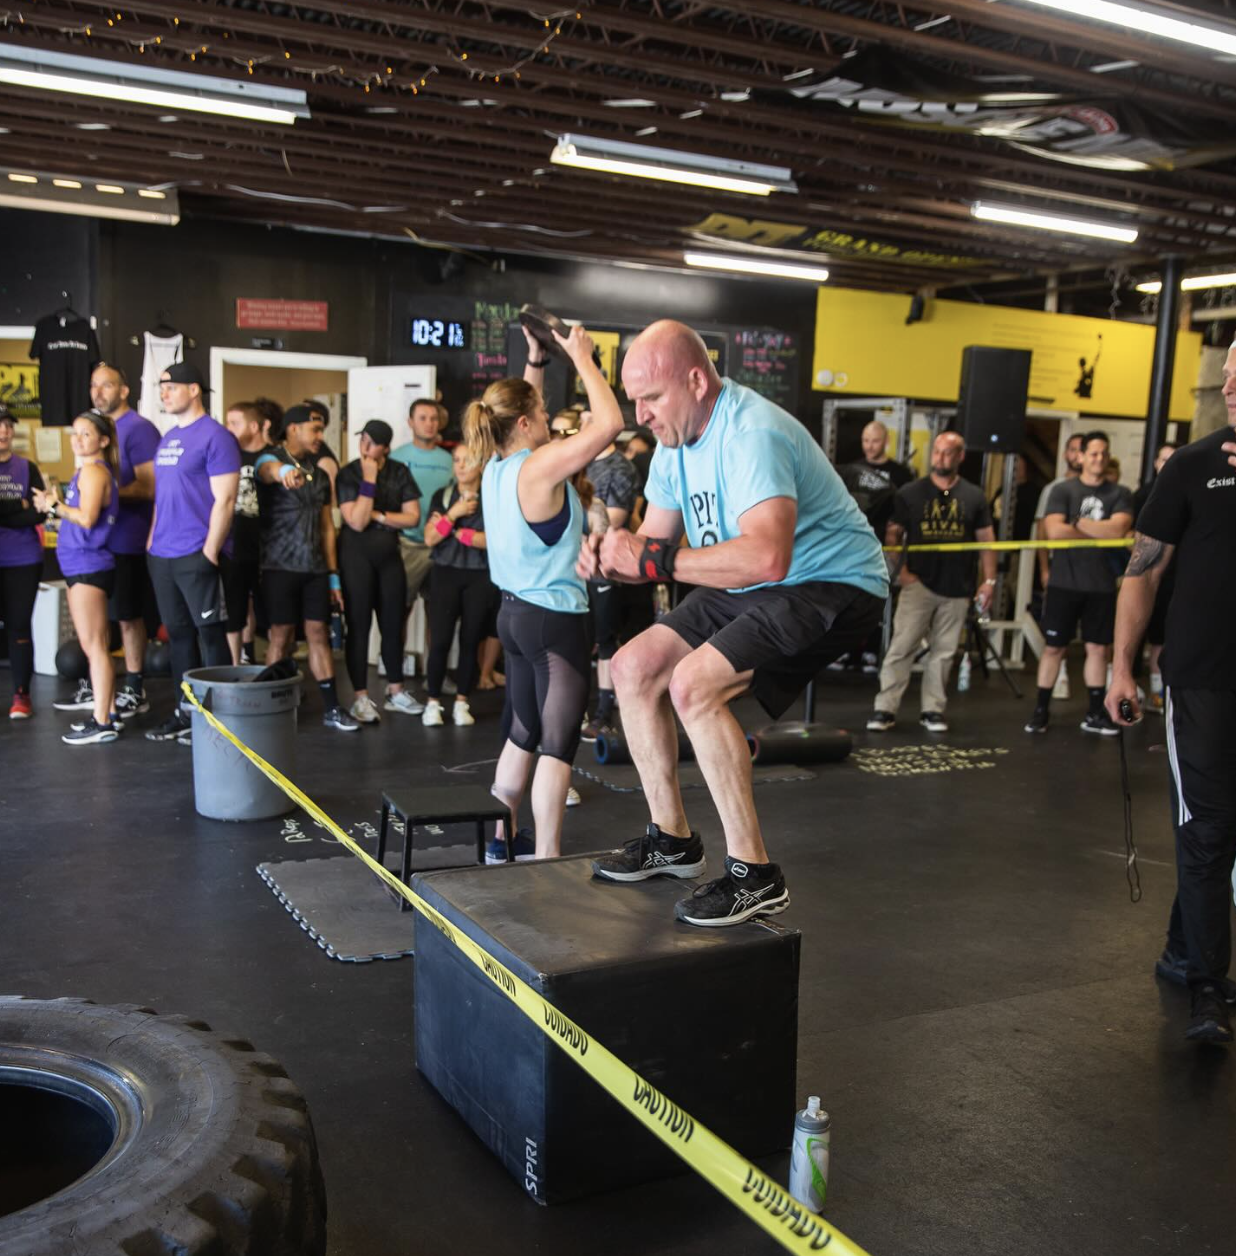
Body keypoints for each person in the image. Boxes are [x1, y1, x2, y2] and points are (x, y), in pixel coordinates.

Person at [581, 320, 888, 927]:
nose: (639, 414)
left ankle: (756, 875)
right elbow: (656, 548)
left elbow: (767, 555)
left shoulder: (751, 432)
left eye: (650, 397)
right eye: (634, 400)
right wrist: (611, 556)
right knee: (632, 667)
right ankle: (672, 840)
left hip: (832, 583)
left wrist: (651, 559)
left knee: (693, 684)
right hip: (754, 582)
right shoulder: (672, 446)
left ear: (696, 381)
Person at [1106, 340, 1236, 1044]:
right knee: (1208, 829)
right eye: (1228, 378)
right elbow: (1142, 572)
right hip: (1201, 679)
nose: (1233, 389)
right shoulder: (1193, 466)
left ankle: (1186, 951)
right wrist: (1120, 667)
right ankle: (1208, 989)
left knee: (1227, 830)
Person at [472, 323, 622, 862]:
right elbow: (610, 423)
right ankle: (548, 860)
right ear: (527, 422)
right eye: (541, 409)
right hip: (555, 624)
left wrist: (535, 356)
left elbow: (520, 403)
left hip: (513, 619)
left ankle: (500, 841)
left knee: (521, 734)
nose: (549, 418)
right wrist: (582, 356)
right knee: (557, 748)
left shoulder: (496, 466)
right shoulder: (539, 467)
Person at [867, 431, 996, 734]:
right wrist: (901, 574)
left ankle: (933, 710)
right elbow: (893, 536)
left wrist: (988, 581)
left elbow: (987, 540)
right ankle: (884, 708)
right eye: (937, 451)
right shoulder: (911, 493)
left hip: (958, 586)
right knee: (902, 646)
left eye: (948, 452)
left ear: (960, 456)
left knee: (944, 651)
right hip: (919, 583)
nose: (940, 458)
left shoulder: (974, 496)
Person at [145, 362, 239, 743]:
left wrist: (210, 553)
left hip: (197, 554)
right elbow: (161, 497)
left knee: (210, 635)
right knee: (179, 637)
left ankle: (221, 721)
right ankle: (186, 712)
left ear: (194, 389)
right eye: (161, 387)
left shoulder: (216, 437)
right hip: (163, 555)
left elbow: (227, 499)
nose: (164, 393)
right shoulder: (168, 438)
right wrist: (152, 543)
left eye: (170, 387)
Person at [254, 405, 357, 731]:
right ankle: (271, 706)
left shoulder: (320, 473)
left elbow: (327, 526)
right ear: (293, 429)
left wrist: (333, 575)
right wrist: (283, 472)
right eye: (314, 429)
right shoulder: (270, 458)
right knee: (281, 636)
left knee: (318, 634)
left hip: (314, 568)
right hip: (279, 566)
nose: (319, 436)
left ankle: (332, 708)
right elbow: (267, 469)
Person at [1025, 431, 1133, 736]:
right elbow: (1054, 533)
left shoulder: (1120, 493)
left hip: (1101, 584)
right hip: (1065, 583)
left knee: (1098, 649)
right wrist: (1102, 529)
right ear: (1081, 456)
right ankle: (1040, 710)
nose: (1098, 459)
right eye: (1093, 453)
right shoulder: (1062, 490)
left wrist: (1079, 523)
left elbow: (1119, 530)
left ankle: (1095, 713)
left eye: (1103, 454)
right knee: (1054, 648)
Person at [73, 363, 160, 719]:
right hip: (97, 543)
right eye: (94, 385)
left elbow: (150, 485)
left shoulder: (139, 429)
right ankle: (101, 691)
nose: (98, 392)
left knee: (127, 616)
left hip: (128, 538)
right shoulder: (93, 430)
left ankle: (134, 687)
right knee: (100, 622)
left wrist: (105, 493)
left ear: (124, 390)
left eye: (106, 385)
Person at [34, 410, 121, 745]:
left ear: (102, 440)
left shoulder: (94, 473)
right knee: (91, 645)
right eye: (76, 433)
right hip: (79, 564)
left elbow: (86, 518)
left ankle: (102, 723)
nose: (79, 439)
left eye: (87, 434)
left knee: (95, 647)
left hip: (89, 565)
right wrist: (53, 510)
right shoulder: (86, 472)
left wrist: (55, 506)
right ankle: (109, 712)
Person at [336, 420, 422, 724]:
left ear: (384, 447)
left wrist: (379, 515)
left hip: (388, 558)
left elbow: (413, 517)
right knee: (358, 627)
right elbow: (356, 522)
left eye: (371, 442)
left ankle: (395, 690)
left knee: (392, 623)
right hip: (355, 557)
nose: (365, 446)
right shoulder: (348, 474)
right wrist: (369, 480)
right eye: (363, 440)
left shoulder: (399, 471)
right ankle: (360, 697)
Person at [579, 415, 640, 740]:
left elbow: (611, 525)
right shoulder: (578, 461)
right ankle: (576, 708)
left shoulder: (619, 468)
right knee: (574, 641)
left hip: (603, 567)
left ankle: (604, 713)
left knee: (604, 642)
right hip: (572, 565)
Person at [422, 444, 492, 728]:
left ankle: (462, 701)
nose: (460, 466)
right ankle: (433, 702)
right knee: (439, 641)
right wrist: (454, 513)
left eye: (467, 460)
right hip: (445, 573)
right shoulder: (444, 496)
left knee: (470, 641)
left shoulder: (492, 497)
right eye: (456, 460)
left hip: (479, 575)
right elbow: (429, 538)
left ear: (480, 465)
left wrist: (455, 531)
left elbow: (494, 541)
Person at [390, 397, 455, 675]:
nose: (429, 424)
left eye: (433, 419)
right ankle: (396, 679)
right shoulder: (397, 456)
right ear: (411, 422)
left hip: (440, 545)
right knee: (399, 613)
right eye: (423, 418)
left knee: (437, 616)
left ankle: (434, 680)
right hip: (407, 544)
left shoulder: (449, 460)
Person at [0, 404, 45, 720]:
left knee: (19, 627)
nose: (3, 430)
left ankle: (21, 695)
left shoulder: (27, 468)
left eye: (7, 425)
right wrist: (19, 504)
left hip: (23, 559)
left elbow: (41, 512)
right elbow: (26, 510)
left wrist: (11, 512)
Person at [221, 401, 271, 666]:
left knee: (270, 613)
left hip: (268, 547)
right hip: (234, 545)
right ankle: (234, 668)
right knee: (235, 609)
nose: (229, 429)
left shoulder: (274, 457)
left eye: (235, 423)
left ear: (254, 426)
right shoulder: (228, 456)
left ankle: (267, 664)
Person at [1132, 441, 1178, 711]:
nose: (1167, 465)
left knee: (1163, 638)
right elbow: (1130, 535)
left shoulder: (1186, 491)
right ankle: (1134, 686)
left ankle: (1160, 693)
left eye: (1173, 460)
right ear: (1155, 463)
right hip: (1145, 575)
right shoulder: (1144, 495)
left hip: (1177, 579)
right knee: (1137, 634)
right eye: (1163, 460)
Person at [1034, 431, 1085, 591]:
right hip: (1058, 562)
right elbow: (1041, 531)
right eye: (1073, 449)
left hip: (1088, 563)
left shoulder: (1099, 489)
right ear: (1065, 454)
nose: (1077, 455)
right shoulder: (1053, 489)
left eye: (1081, 449)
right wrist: (1044, 570)